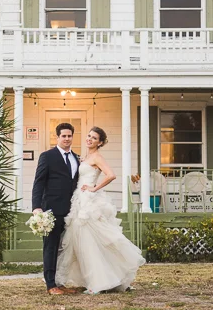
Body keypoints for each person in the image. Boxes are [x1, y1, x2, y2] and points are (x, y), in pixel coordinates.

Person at [55, 127, 146, 294]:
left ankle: (97, 282)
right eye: (88, 136)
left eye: (94, 138)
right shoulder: (86, 157)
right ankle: (96, 278)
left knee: (89, 241)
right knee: (82, 241)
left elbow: (111, 175)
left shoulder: (97, 157)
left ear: (100, 142)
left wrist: (94, 188)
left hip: (89, 202)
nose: (89, 139)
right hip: (79, 200)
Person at [31, 122, 81, 295]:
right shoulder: (47, 156)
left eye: (69, 136)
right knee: (51, 247)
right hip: (51, 210)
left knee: (66, 249)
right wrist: (37, 207)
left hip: (71, 211)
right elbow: (38, 182)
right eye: (63, 136)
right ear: (57, 137)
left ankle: (60, 282)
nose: (67, 139)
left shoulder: (76, 158)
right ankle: (51, 285)